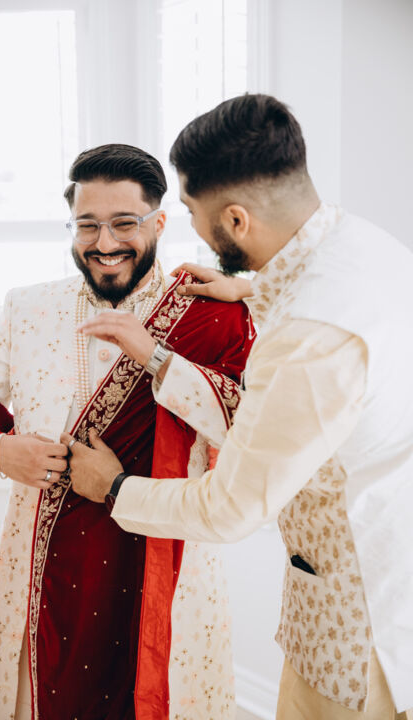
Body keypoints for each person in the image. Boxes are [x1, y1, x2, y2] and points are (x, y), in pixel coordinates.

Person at [67, 96, 413, 720]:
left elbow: (228, 509)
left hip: (361, 627)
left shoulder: (309, 337)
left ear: (235, 219)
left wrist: (113, 488)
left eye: (191, 213)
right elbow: (319, 292)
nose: (193, 229)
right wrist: (253, 288)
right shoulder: (367, 245)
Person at [0, 144, 255, 719]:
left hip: (169, 557)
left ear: (159, 223)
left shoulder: (209, 311)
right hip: (38, 566)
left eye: (124, 223)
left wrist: (154, 356)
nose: (104, 243)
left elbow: (248, 429)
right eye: (87, 225)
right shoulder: (29, 308)